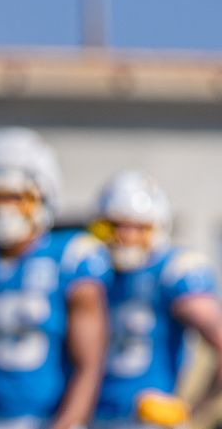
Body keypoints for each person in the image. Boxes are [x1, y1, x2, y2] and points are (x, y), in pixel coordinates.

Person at [0, 128, 111, 429]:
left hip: (44, 419)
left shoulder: (71, 258)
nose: (4, 207)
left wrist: (66, 424)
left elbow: (89, 366)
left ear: (44, 195)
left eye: (17, 197)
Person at [89, 172, 222, 429]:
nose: (126, 236)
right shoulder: (91, 270)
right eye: (117, 225)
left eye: (139, 227)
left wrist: (192, 410)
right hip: (93, 416)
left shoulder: (171, 272)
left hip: (147, 420)